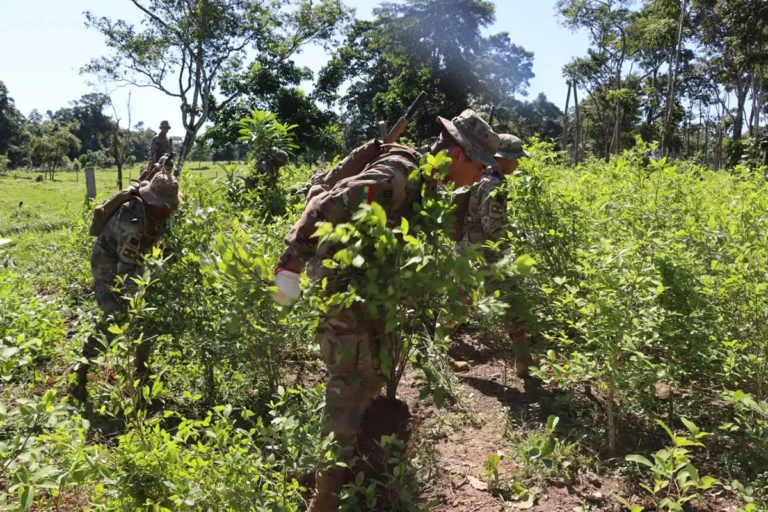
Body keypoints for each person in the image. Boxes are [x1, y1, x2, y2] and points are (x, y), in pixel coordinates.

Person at [272, 110, 500, 512]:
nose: (482, 175)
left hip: (375, 288)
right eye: (480, 164)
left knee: (375, 372)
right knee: (347, 385)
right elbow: (329, 203)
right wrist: (289, 264)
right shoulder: (399, 176)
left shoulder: (430, 185)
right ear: (460, 155)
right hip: (343, 284)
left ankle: (352, 463)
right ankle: (324, 497)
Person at [71, 172, 181, 402]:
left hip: (135, 263)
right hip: (110, 267)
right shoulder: (130, 225)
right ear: (155, 202)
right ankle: (80, 369)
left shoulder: (155, 212)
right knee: (116, 317)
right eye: (167, 206)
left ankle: (141, 368)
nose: (171, 211)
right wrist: (153, 276)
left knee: (147, 317)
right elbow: (125, 273)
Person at [458, 133, 534, 378]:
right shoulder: (494, 184)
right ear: (501, 158)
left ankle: (435, 352)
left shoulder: (479, 175)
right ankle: (524, 362)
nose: (517, 163)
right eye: (515, 158)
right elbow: (492, 226)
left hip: (466, 249)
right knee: (510, 301)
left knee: (459, 301)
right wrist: (517, 237)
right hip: (486, 254)